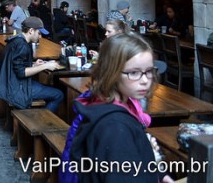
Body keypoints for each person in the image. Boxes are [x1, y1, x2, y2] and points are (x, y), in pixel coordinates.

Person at [65, 34, 173, 182]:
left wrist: (158, 172)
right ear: (112, 73)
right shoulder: (115, 126)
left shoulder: (108, 105)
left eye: (149, 71)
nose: (145, 80)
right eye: (133, 72)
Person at [0, 17, 63, 113]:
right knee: (58, 94)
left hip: (7, 83)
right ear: (31, 31)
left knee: (46, 88)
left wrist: (33, 64)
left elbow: (17, 65)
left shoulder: (17, 39)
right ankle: (41, 121)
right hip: (15, 87)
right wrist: (45, 66)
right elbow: (21, 73)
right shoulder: (22, 46)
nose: (40, 37)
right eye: (39, 33)